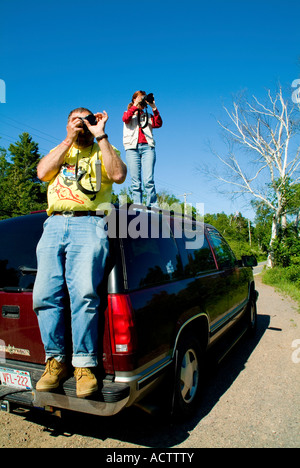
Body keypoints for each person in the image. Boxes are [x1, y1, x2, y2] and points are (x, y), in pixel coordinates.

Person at [33, 107, 127, 398]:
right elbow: (42, 173)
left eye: (88, 120)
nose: (82, 125)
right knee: (45, 295)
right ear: (67, 124)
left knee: (84, 295)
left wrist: (101, 135)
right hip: (53, 224)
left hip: (90, 222)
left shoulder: (104, 148)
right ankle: (55, 361)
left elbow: (118, 175)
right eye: (77, 120)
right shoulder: (60, 149)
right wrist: (67, 139)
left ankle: (84, 365)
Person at [122, 91, 162, 206]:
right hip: (132, 148)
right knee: (136, 182)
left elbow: (158, 123)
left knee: (148, 180)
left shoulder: (147, 116)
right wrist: (136, 105)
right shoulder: (128, 113)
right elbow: (125, 118)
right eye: (139, 98)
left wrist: (153, 106)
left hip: (148, 148)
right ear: (134, 99)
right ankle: (138, 207)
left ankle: (152, 206)